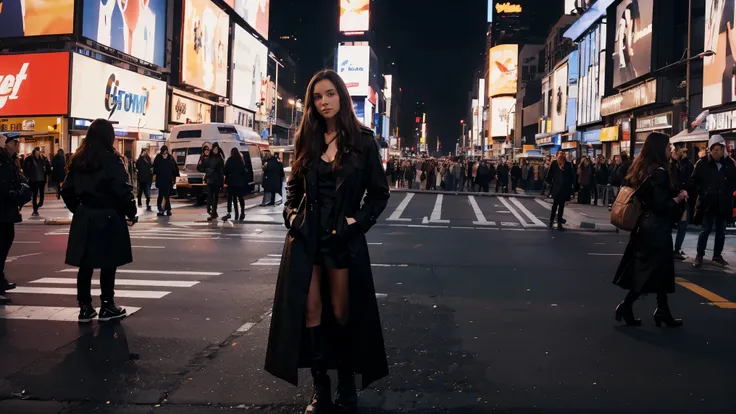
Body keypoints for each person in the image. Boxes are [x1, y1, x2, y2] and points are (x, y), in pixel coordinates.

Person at [265, 70, 390, 414]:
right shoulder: (307, 138)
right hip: (306, 241)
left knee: (342, 312)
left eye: (330, 94)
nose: (324, 102)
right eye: (317, 97)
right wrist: (292, 218)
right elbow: (292, 192)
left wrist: (356, 222)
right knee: (311, 311)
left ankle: (346, 383)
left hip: (342, 241)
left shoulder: (364, 142)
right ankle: (321, 388)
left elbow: (379, 195)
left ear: (342, 97)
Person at [61, 119, 137, 322]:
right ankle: (107, 305)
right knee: (108, 262)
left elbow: (66, 190)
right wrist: (131, 212)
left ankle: (85, 307)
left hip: (85, 215)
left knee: (85, 264)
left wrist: (78, 210)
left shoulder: (78, 160)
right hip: (108, 215)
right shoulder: (111, 160)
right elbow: (122, 190)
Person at [613, 132, 687, 327]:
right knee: (649, 271)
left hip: (647, 228)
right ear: (659, 148)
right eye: (668, 145)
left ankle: (662, 310)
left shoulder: (644, 168)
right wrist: (679, 199)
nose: (670, 149)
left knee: (657, 271)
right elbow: (661, 204)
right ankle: (629, 306)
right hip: (655, 230)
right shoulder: (659, 173)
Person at [690, 135, 736, 268]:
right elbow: (693, 182)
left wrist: (729, 193)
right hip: (707, 203)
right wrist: (704, 192)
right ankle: (700, 255)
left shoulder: (729, 163)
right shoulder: (702, 163)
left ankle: (717, 256)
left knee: (721, 231)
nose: (716, 152)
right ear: (710, 150)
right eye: (714, 149)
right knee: (705, 230)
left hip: (723, 203)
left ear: (723, 150)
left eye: (719, 149)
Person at [0, 133, 30, 303]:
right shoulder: (3, 160)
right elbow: (4, 187)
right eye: (14, 143)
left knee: (5, 243)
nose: (17, 146)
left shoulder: (10, 160)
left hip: (7, 210)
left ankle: (1, 280)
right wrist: (17, 195)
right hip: (3, 210)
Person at [545, 152, 575, 231]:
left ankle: (552, 221)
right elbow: (571, 177)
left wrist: (548, 183)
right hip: (562, 187)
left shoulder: (556, 163)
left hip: (558, 187)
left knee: (556, 205)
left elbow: (549, 175)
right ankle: (558, 223)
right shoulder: (566, 164)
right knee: (560, 206)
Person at [670, 146, 690, 260]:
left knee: (683, 224)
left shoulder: (680, 164)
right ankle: (675, 249)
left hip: (681, 196)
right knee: (678, 224)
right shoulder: (671, 165)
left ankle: (677, 249)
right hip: (675, 197)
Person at [199, 143, 225, 220]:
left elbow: (222, 171)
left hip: (216, 180)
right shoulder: (209, 158)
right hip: (210, 180)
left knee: (215, 197)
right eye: (214, 149)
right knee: (210, 196)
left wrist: (221, 182)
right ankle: (210, 210)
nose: (215, 151)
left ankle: (213, 212)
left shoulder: (219, 159)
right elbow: (201, 167)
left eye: (217, 149)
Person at [224, 147, 249, 221]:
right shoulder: (241, 161)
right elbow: (244, 172)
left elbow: (225, 171)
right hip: (240, 183)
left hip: (232, 183)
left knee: (234, 198)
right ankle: (242, 212)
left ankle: (236, 213)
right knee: (241, 198)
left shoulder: (229, 160)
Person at [153, 145, 179, 216]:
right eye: (163, 153)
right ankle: (162, 209)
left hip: (168, 180)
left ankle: (166, 209)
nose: (165, 155)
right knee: (161, 195)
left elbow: (174, 169)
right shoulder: (158, 158)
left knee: (167, 195)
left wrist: (174, 179)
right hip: (161, 180)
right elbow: (154, 168)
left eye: (166, 153)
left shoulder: (170, 158)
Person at [23, 147, 49, 216]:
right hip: (33, 179)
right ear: (34, 151)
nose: (39, 152)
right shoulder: (29, 159)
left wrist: (47, 171)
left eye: (39, 151)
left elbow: (48, 167)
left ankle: (39, 204)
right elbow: (25, 168)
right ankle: (35, 209)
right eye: (37, 151)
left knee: (41, 195)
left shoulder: (43, 158)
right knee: (34, 195)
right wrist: (28, 176)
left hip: (42, 179)